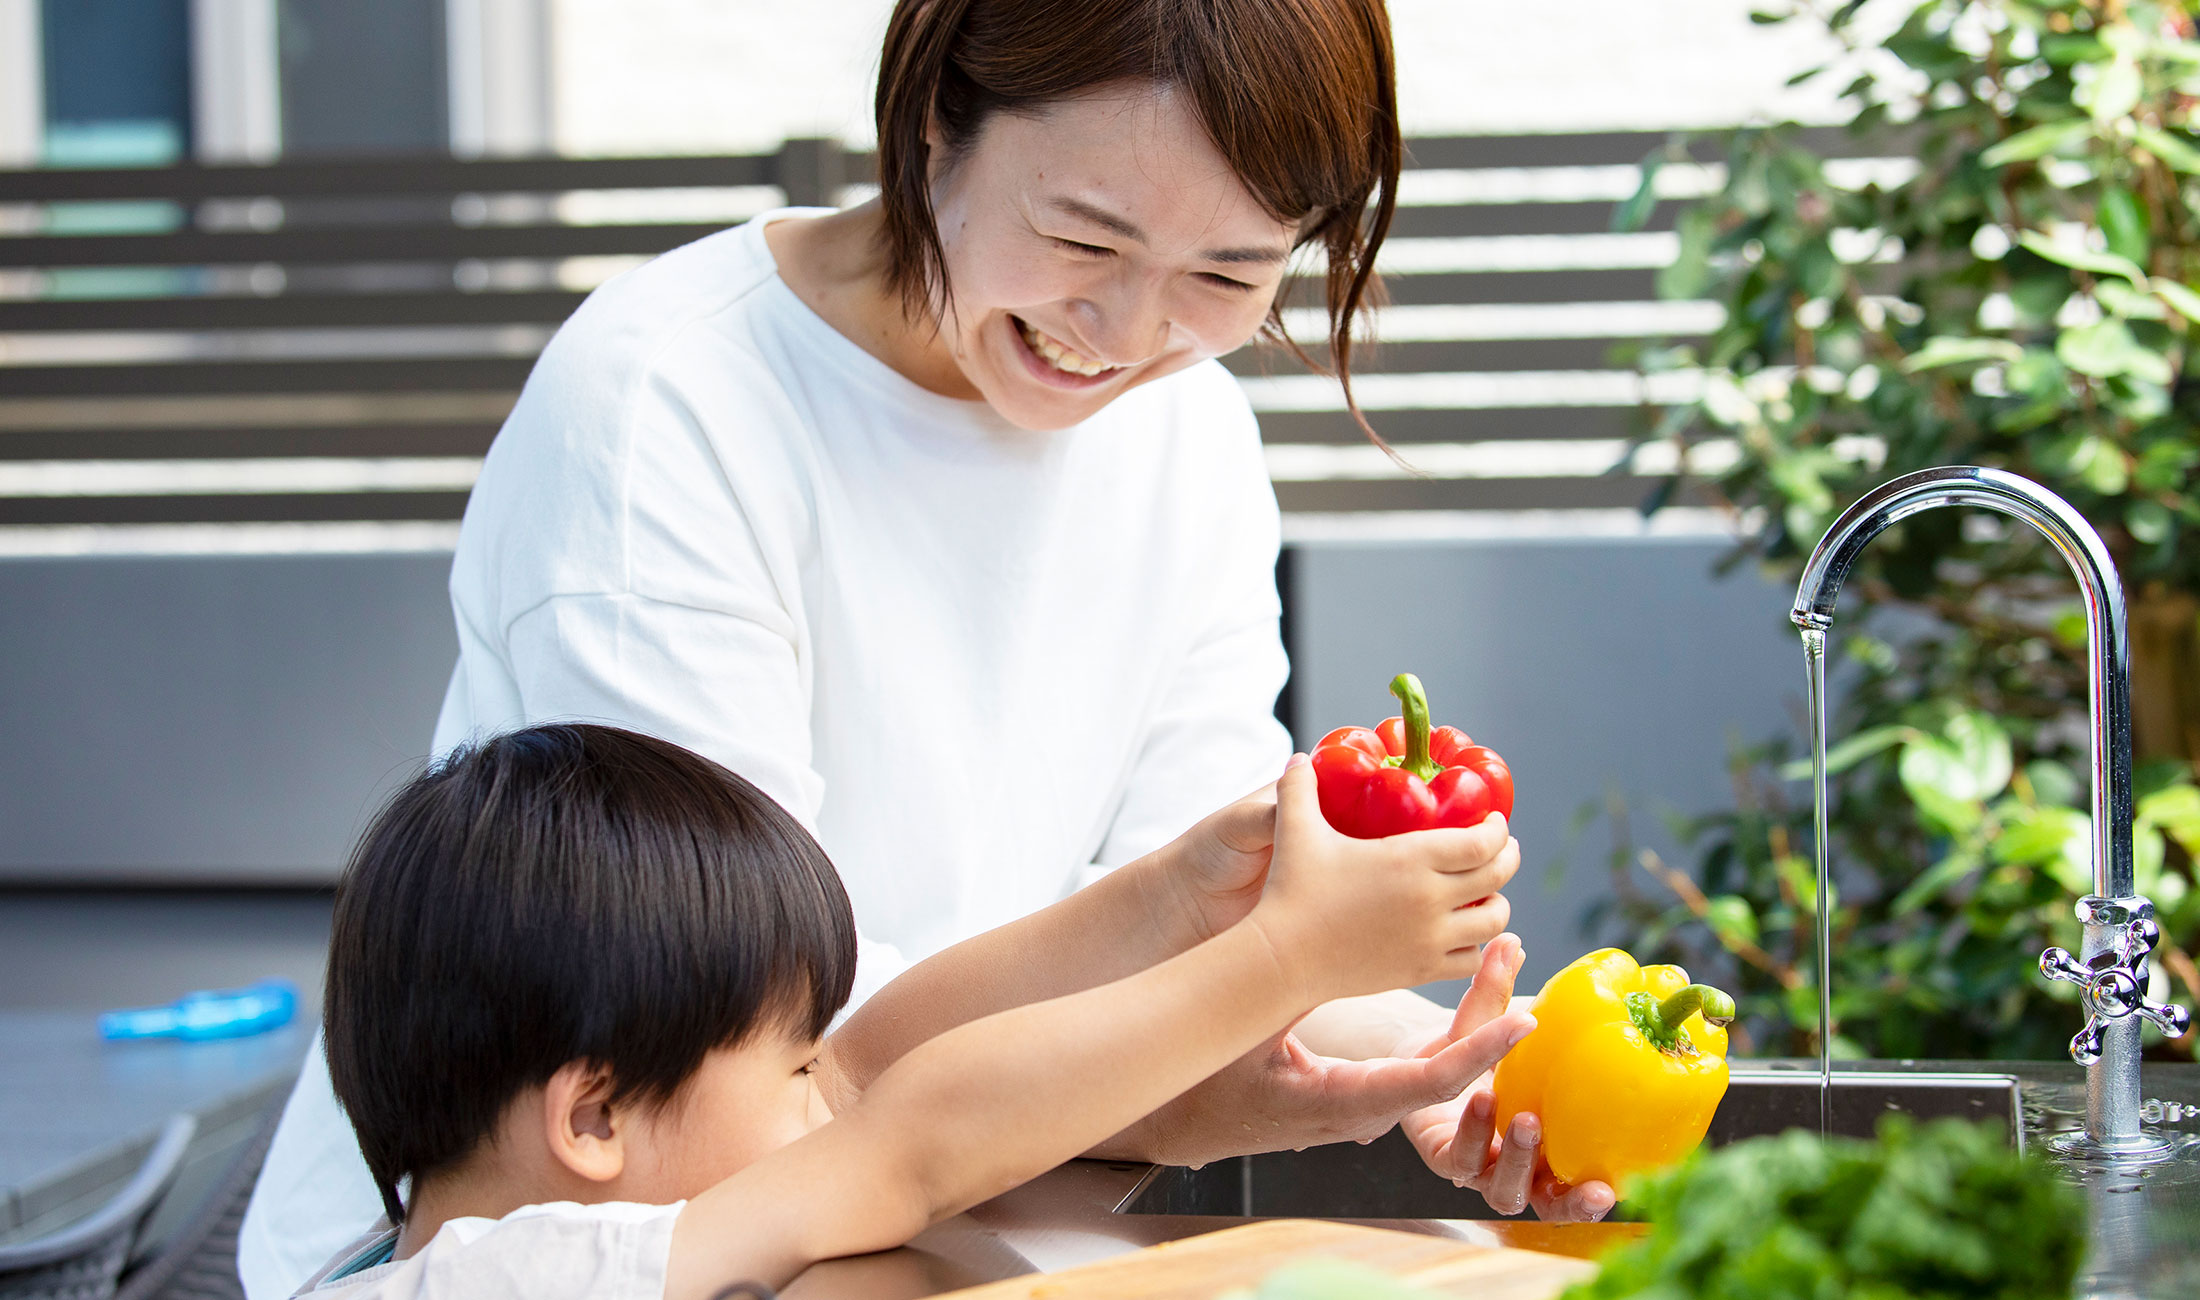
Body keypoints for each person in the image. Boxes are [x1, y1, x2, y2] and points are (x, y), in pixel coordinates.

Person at [243, 3, 1611, 1289]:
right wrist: (1254, 987)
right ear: (934, 117)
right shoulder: (669, 406)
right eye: (1083, 240)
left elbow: (1195, 918)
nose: (1129, 335)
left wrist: (1439, 1055)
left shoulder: (1186, 437)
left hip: (951, 1205)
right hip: (605, 1232)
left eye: (1227, 273)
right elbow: (770, 1066)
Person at [297, 724, 1533, 1299]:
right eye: (784, 1066)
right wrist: (1280, 960)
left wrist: (1170, 894)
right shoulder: (521, 1284)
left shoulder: (477, 1229)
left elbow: (871, 1065)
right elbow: (903, 1138)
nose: (822, 1084)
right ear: (597, 1113)